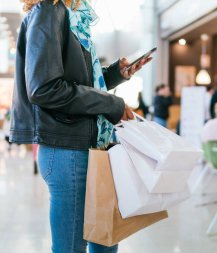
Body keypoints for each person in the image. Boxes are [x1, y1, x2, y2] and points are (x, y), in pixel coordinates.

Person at [10, 1, 151, 252]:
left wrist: (117, 75)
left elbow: (80, 83)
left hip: (90, 147)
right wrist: (111, 103)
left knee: (106, 241)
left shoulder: (71, 17)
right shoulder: (49, 11)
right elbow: (45, 89)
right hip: (68, 149)